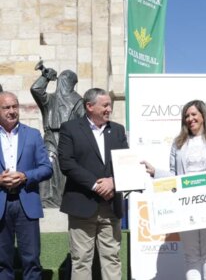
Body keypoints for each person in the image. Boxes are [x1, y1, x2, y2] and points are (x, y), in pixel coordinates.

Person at [142, 99, 206, 280]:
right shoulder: (178, 143)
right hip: (185, 203)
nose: (190, 119)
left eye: (193, 114)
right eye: (186, 116)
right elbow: (174, 176)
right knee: (191, 256)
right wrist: (156, 172)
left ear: (203, 116)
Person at [58, 88, 128, 280]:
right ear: (89, 106)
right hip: (81, 204)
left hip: (110, 206)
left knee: (112, 258)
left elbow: (126, 162)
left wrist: (113, 182)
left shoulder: (118, 130)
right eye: (105, 105)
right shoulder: (70, 128)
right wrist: (96, 185)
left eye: (110, 105)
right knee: (81, 260)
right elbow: (66, 163)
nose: (109, 109)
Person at [0, 91, 53, 279]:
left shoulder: (32, 135)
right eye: (6, 107)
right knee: (1, 262)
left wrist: (25, 176)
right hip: (1, 204)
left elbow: (47, 168)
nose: (12, 111)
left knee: (31, 260)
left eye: (15, 106)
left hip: (26, 203)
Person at [31, 63, 85, 207]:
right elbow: (36, 89)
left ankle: (62, 200)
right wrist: (45, 77)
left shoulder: (78, 101)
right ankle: (45, 200)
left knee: (63, 172)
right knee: (47, 165)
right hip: (50, 137)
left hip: (68, 139)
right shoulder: (50, 99)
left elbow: (84, 123)